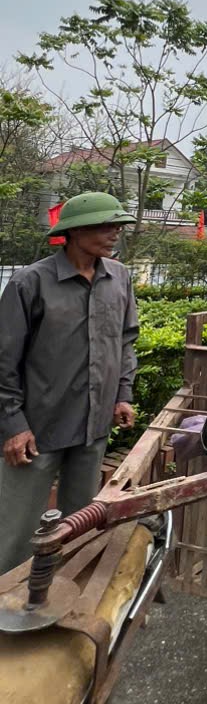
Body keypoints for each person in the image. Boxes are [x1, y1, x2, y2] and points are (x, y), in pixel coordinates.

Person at [0, 191, 138, 575]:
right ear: (75, 231)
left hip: (94, 424)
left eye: (117, 226)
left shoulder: (119, 278)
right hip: (37, 428)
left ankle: (66, 590)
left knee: (80, 520)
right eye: (105, 225)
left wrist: (122, 394)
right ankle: (8, 599)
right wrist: (13, 425)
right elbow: (4, 361)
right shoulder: (30, 283)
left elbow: (125, 340)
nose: (114, 233)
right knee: (16, 529)